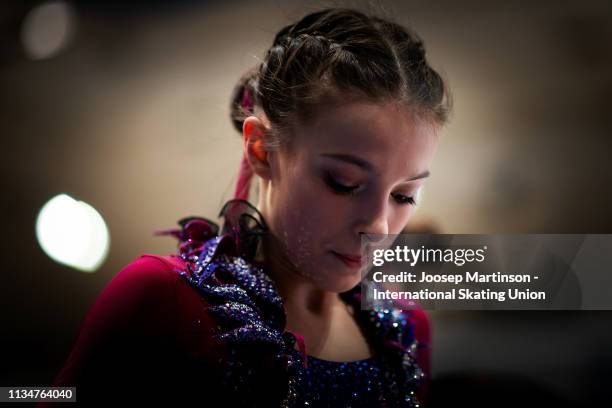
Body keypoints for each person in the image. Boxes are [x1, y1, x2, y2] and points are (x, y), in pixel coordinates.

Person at [40, 7, 451, 407]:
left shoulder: (408, 333)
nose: (378, 224)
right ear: (261, 149)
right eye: (343, 183)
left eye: (404, 195)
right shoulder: (161, 298)